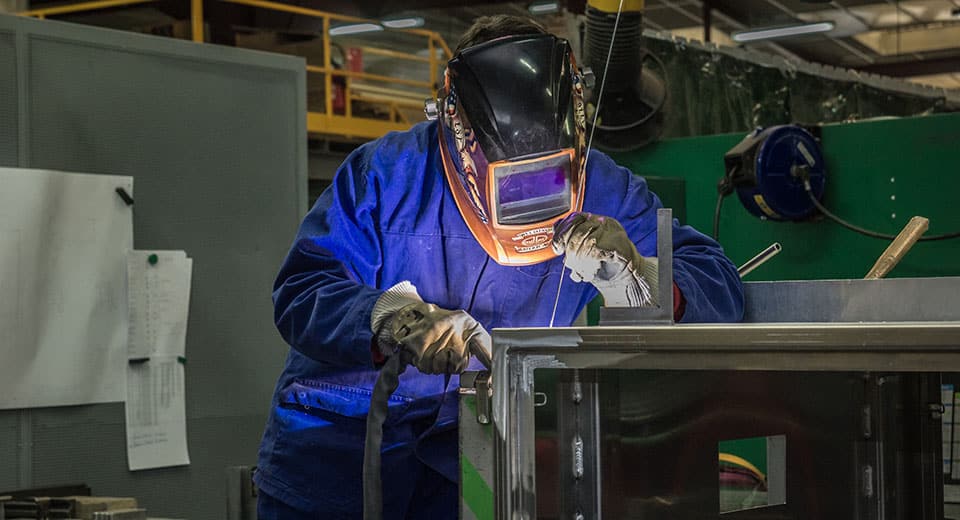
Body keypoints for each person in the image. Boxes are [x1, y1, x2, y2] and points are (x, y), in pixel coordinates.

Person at [255, 14, 744, 519]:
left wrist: (639, 274)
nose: (531, 204)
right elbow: (303, 289)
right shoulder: (384, 176)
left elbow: (717, 282)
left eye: (550, 175)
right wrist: (394, 319)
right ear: (457, 131)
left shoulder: (600, 188)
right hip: (337, 456)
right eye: (512, 183)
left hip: (475, 457)